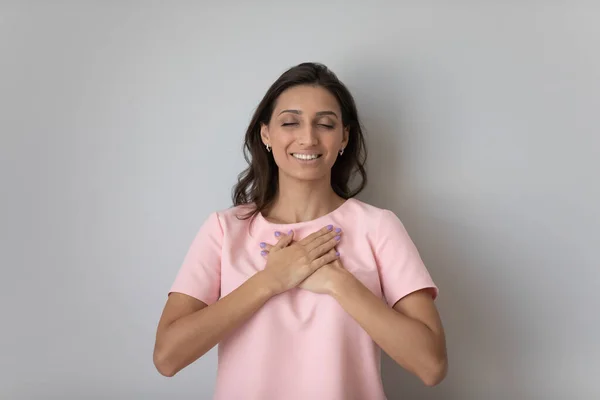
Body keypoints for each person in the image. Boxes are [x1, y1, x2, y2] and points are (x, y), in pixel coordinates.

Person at [153, 62, 447, 399]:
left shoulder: (378, 227)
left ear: (344, 137)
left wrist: (339, 283)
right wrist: (270, 281)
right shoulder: (224, 230)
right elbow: (167, 357)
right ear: (266, 134)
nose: (308, 137)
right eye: (290, 122)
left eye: (324, 124)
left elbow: (432, 365)